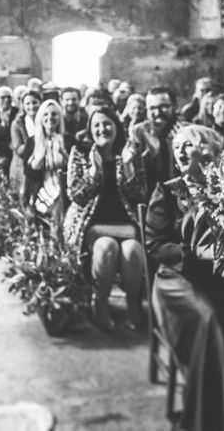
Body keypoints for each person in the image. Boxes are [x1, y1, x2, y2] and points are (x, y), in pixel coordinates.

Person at [145, 124, 224, 431]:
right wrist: (194, 254)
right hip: (177, 279)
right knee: (210, 317)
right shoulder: (169, 189)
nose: (179, 150)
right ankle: (209, 418)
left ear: (209, 152)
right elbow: (154, 245)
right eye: (177, 146)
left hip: (220, 275)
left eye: (188, 145)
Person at [66, 106, 144, 332]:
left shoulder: (130, 151)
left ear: (116, 127)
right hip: (90, 225)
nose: (102, 129)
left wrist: (129, 167)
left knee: (132, 251)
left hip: (125, 222)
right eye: (97, 125)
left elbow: (140, 194)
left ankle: (133, 303)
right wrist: (93, 170)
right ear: (90, 130)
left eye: (107, 123)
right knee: (107, 247)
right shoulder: (80, 151)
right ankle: (100, 302)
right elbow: (76, 196)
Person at [23, 98, 67, 224]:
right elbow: (28, 173)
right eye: (46, 114)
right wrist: (40, 156)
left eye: (54, 114)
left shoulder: (67, 139)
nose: (50, 117)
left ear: (59, 117)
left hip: (62, 189)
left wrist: (65, 156)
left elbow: (72, 169)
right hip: (39, 190)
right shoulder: (32, 141)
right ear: (40, 118)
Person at [9, 89, 40, 194]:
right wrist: (35, 142)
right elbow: (18, 149)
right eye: (28, 103)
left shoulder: (44, 120)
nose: (31, 106)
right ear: (23, 105)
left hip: (38, 167)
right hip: (21, 168)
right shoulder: (17, 123)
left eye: (34, 102)